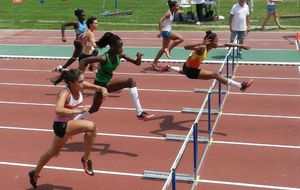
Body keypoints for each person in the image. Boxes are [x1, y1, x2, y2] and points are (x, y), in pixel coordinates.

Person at [28, 69, 108, 189]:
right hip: (61, 126)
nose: (83, 83)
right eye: (80, 81)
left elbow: (96, 87)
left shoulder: (81, 85)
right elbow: (58, 109)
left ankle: (34, 173)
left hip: (70, 123)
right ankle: (86, 159)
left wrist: (102, 89)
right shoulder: (64, 93)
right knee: (92, 127)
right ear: (71, 83)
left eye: (83, 80)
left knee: (53, 152)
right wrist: (77, 110)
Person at [74, 32, 155, 121]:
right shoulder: (103, 58)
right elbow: (83, 61)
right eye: (119, 46)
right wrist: (79, 76)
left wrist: (139, 57)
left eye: (122, 46)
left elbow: (137, 63)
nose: (121, 48)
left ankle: (73, 122)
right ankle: (140, 113)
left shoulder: (120, 55)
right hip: (100, 85)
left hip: (106, 84)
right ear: (112, 46)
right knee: (94, 108)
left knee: (94, 108)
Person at [170, 31, 253, 91]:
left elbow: (225, 44)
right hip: (191, 71)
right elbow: (185, 47)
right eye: (216, 41)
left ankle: (169, 67)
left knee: (213, 75)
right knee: (215, 75)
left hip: (186, 67)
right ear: (209, 42)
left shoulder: (210, 46)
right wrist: (200, 43)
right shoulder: (201, 48)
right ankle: (240, 86)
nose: (217, 43)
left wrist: (241, 46)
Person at [152, 0, 184, 72]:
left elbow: (180, 12)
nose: (178, 7)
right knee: (181, 38)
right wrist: (160, 32)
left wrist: (180, 8)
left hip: (166, 32)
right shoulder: (168, 13)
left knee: (163, 48)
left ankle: (154, 63)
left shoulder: (173, 11)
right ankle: (168, 49)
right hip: (166, 32)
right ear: (173, 7)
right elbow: (160, 20)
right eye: (177, 6)